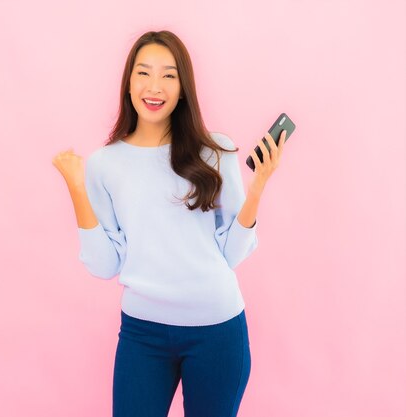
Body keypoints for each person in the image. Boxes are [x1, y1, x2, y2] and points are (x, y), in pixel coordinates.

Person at [51, 30, 287, 417]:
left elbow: (233, 253)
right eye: (143, 73)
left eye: (169, 75)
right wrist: (77, 187)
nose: (154, 86)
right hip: (143, 333)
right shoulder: (104, 164)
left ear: (183, 89)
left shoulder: (216, 151)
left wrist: (259, 185)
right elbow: (104, 264)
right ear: (128, 83)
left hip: (218, 329)